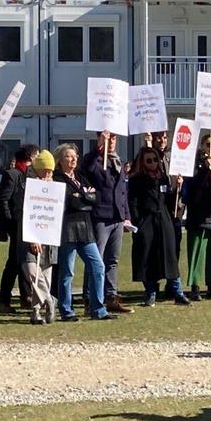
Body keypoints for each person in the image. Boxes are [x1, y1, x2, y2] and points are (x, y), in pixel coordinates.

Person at [128, 147, 190, 306]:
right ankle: (150, 292)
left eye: (155, 160)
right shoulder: (136, 180)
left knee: (169, 256)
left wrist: (177, 188)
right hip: (146, 221)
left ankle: (178, 292)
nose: (153, 163)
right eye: (149, 160)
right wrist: (138, 223)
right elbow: (133, 203)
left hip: (164, 220)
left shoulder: (163, 178)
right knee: (147, 257)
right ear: (142, 162)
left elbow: (170, 201)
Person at [55, 144, 110, 321]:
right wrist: (84, 197)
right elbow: (70, 202)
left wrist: (83, 197)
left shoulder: (80, 177)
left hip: (85, 229)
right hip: (68, 228)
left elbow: (95, 198)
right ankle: (66, 309)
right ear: (60, 160)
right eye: (69, 156)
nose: (73, 159)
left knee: (98, 266)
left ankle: (98, 308)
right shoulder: (58, 179)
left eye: (75, 156)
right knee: (67, 271)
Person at [81, 131, 134, 315]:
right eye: (107, 138)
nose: (111, 142)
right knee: (95, 260)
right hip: (100, 217)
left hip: (117, 217)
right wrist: (99, 148)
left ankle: (111, 296)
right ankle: (89, 298)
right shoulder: (94, 159)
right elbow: (87, 167)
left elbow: (122, 191)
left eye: (113, 138)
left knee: (112, 260)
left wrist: (126, 214)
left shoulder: (117, 160)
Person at [183, 135, 211, 301]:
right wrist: (204, 170)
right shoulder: (194, 164)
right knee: (197, 250)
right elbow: (194, 187)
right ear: (202, 145)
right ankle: (195, 286)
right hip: (199, 213)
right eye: (208, 144)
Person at [17, 150, 60, 324]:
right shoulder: (25, 187)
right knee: (33, 274)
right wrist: (33, 238)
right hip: (28, 239)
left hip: (49, 239)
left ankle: (35, 312)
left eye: (51, 171)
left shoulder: (53, 188)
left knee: (45, 276)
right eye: (45, 171)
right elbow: (24, 214)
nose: (48, 174)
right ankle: (49, 299)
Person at [0, 144, 38, 312]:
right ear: (30, 158)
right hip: (16, 225)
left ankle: (25, 296)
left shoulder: (31, 176)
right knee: (14, 263)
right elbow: (3, 200)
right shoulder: (13, 174)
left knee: (25, 262)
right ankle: (4, 300)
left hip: (27, 225)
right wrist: (8, 223)